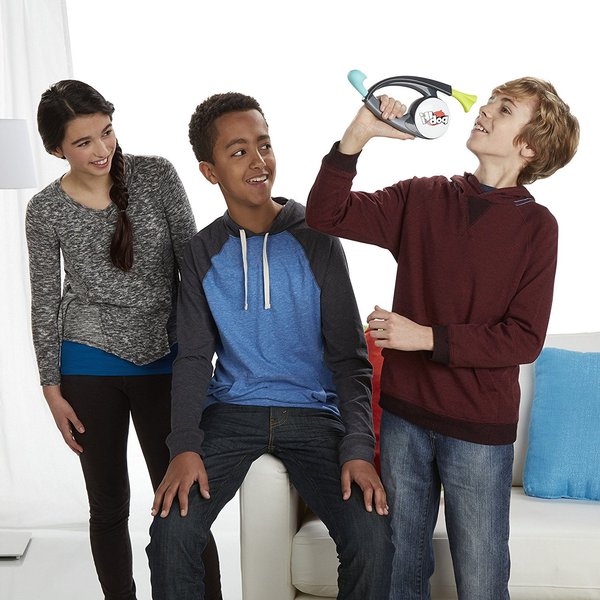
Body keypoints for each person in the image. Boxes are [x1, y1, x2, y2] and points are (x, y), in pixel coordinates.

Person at [305, 77, 579, 600]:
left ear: (529, 147)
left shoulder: (538, 227)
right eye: (491, 102)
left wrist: (426, 337)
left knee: (481, 581)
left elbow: (523, 340)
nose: (485, 111)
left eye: (504, 109)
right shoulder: (422, 196)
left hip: (479, 431)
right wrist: (358, 135)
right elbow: (326, 213)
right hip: (404, 418)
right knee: (401, 574)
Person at [145, 91, 394, 600]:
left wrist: (358, 446)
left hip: (314, 415)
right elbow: (193, 358)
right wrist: (184, 445)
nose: (259, 162)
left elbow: (349, 359)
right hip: (231, 414)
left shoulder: (318, 239)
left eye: (264, 145)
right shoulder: (200, 252)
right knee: (171, 535)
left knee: (372, 538)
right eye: (238, 152)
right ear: (209, 171)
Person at [26, 79, 222, 600]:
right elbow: (45, 299)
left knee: (185, 498)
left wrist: (202, 356)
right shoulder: (44, 209)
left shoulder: (156, 175)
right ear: (57, 150)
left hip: (165, 358)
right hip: (87, 364)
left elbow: (193, 270)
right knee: (108, 505)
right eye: (83, 141)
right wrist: (51, 389)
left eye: (107, 132)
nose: (102, 149)